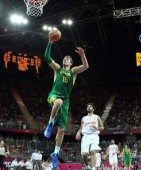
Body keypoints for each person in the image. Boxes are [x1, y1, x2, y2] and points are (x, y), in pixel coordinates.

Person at [43, 39, 89, 169]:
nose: (66, 59)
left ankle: (55, 153)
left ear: (71, 62)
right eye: (65, 58)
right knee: (58, 101)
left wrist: (82, 55)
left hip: (66, 101)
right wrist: (50, 42)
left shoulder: (73, 71)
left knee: (62, 130)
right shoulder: (57, 68)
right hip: (54, 95)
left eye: (68, 59)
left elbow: (85, 67)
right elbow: (46, 56)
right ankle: (50, 123)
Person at [75, 103, 104, 170]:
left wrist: (96, 127)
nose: (89, 107)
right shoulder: (83, 118)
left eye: (90, 106)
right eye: (88, 106)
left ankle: (93, 168)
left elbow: (102, 128)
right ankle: (87, 166)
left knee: (93, 151)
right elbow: (81, 128)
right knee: (84, 154)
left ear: (93, 109)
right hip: (86, 136)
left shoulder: (97, 117)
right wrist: (78, 132)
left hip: (94, 135)